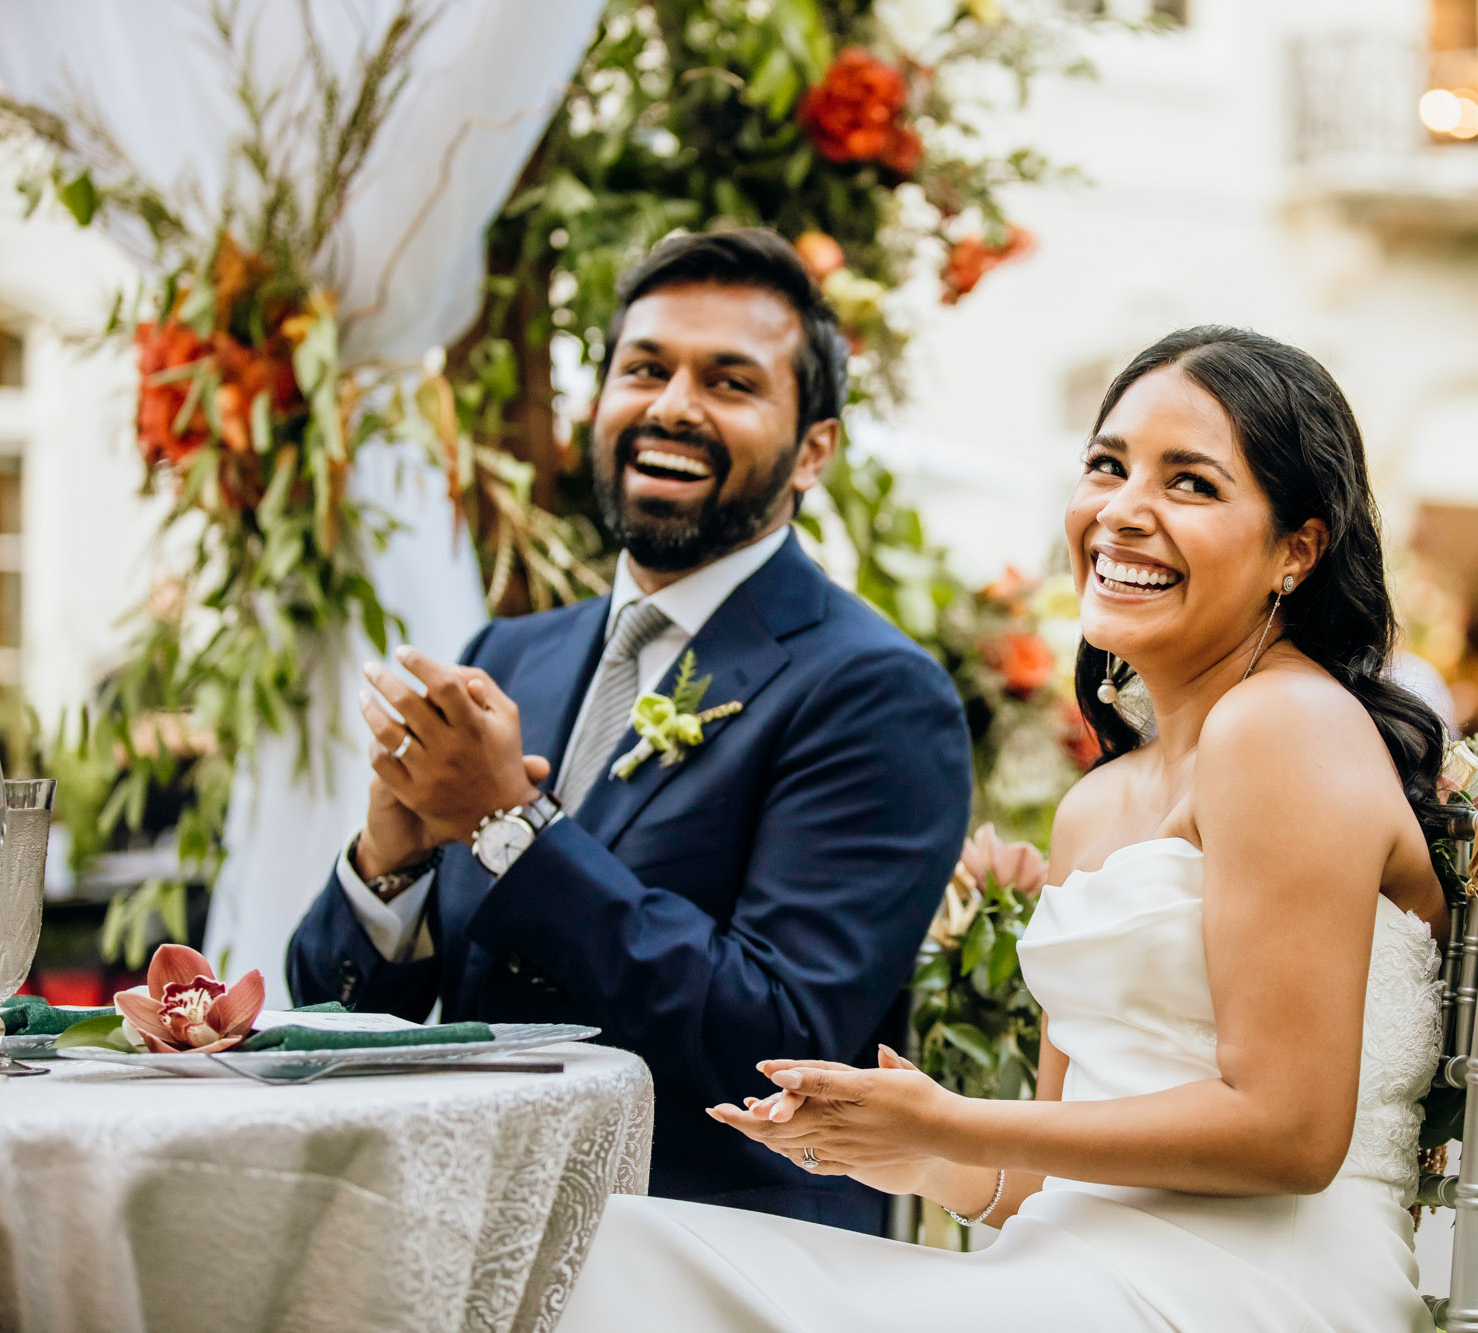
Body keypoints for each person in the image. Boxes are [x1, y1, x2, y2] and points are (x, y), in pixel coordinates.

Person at [560, 325, 1455, 1330]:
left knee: (631, 1274)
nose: (1122, 512)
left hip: (1245, 1291)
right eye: (1105, 467)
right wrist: (923, 1155)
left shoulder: (1284, 724)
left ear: (1296, 548)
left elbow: (1289, 1131)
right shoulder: (1097, 803)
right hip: (1062, 1273)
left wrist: (958, 1115)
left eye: (1189, 484)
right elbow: (1040, 1182)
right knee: (617, 1243)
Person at [285, 228, 973, 1235]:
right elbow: (343, 1022)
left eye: (728, 381)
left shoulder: (875, 690)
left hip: (718, 1253)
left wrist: (509, 825)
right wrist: (389, 855)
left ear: (811, 450)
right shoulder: (513, 654)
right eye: (643, 368)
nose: (670, 406)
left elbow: (784, 1045)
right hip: (476, 1232)